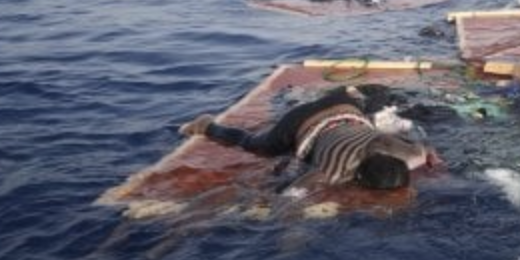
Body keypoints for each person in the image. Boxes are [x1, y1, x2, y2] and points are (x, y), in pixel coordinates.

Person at [178, 85, 442, 191]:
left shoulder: (409, 153)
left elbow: (426, 147)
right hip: (300, 121)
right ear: (358, 177)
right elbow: (293, 193)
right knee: (255, 145)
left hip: (344, 104)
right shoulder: (334, 171)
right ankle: (207, 126)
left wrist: (433, 158)